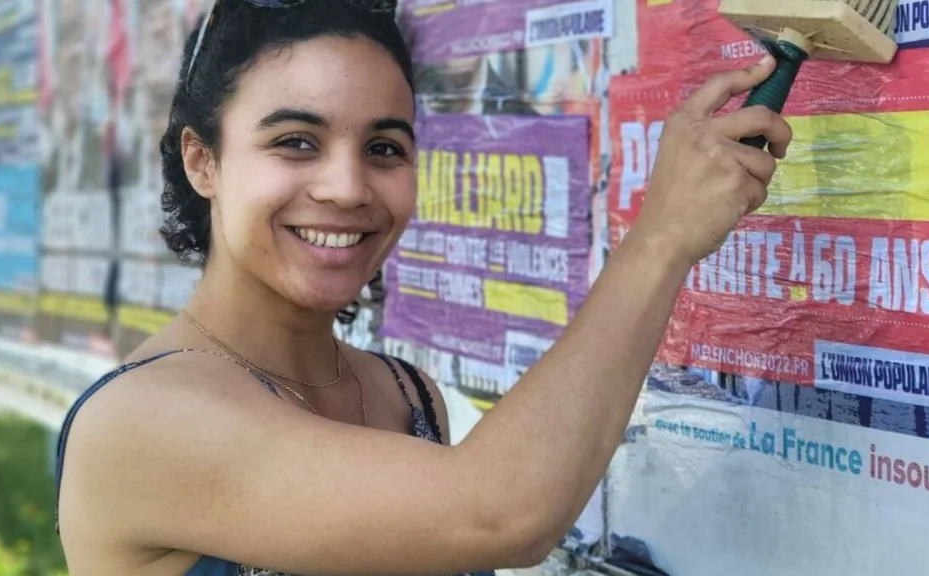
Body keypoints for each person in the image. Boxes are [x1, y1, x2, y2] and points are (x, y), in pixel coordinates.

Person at [53, 0, 792, 574]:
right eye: (295, 142)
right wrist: (660, 238)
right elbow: (503, 512)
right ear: (203, 161)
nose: (346, 188)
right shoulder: (141, 420)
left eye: (383, 148)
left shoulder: (408, 395)